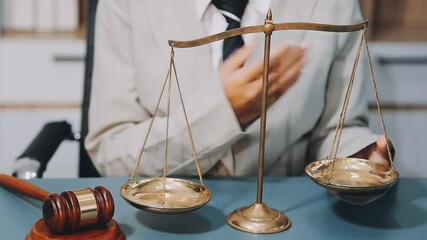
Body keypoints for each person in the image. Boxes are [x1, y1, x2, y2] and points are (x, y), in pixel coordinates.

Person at [86, 0, 391, 177]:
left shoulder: (333, 5)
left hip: (288, 221)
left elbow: (337, 130)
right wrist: (224, 114)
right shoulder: (127, 5)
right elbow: (110, 151)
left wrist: (359, 158)